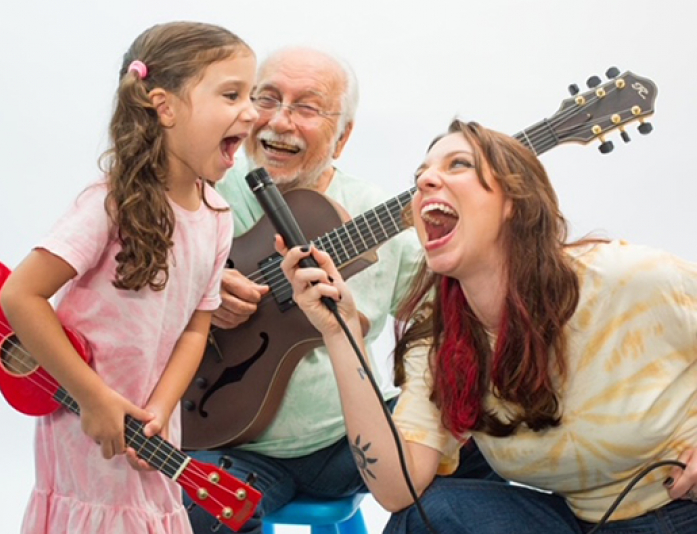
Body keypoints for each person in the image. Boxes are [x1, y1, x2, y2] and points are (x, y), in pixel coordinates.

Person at [279, 119, 697, 533]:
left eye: (458, 164)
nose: (425, 182)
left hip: (683, 508)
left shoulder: (626, 278)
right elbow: (396, 488)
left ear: (514, 200)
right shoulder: (443, 340)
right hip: (577, 521)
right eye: (420, 175)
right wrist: (342, 333)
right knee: (428, 516)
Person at [0, 21, 258, 534]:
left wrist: (160, 410)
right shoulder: (109, 204)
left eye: (251, 95)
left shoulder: (217, 217)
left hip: (152, 427)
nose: (251, 112)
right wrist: (93, 397)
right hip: (83, 422)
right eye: (232, 94)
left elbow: (194, 329)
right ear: (164, 107)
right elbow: (20, 294)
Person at [185, 47, 425, 533]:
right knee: (186, 512)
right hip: (223, 440)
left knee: (485, 436)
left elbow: (448, 321)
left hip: (346, 448)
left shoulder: (378, 213)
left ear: (343, 136)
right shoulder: (197, 190)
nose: (280, 121)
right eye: (267, 99)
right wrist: (199, 291)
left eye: (307, 107)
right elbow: (124, 283)